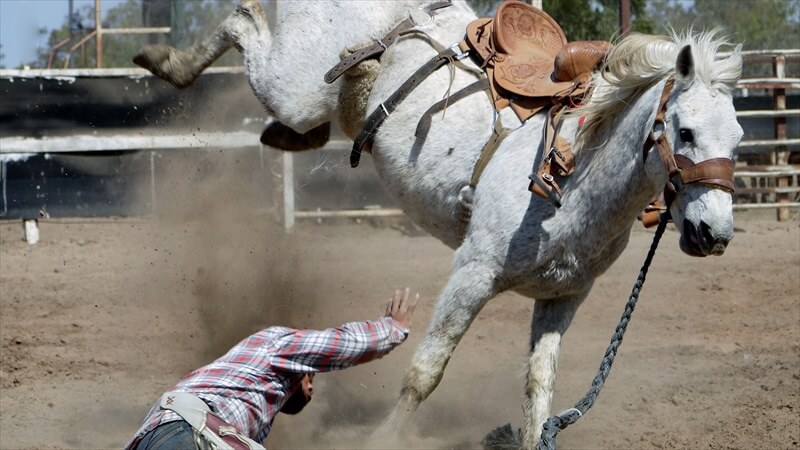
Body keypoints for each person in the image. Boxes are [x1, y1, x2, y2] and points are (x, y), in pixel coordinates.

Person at [127, 287, 420, 450]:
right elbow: (337, 344)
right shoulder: (274, 345)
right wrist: (392, 329)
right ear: (301, 369)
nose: (312, 388)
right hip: (189, 434)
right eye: (311, 377)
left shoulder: (238, 389)